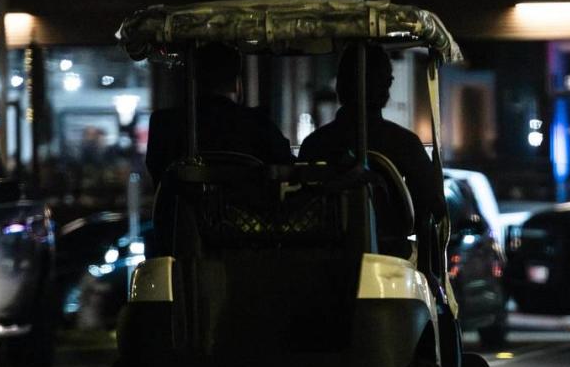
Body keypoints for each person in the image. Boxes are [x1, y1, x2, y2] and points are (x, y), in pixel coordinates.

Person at [299, 44, 444, 236]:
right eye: (387, 79)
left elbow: (301, 207)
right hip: (390, 257)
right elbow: (433, 209)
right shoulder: (404, 144)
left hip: (324, 255)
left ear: (341, 85)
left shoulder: (314, 144)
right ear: (385, 86)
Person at [145, 44, 293, 187]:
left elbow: (158, 175)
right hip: (247, 210)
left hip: (182, 211)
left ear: (193, 81)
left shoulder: (164, 124)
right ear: (236, 84)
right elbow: (287, 167)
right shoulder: (258, 124)